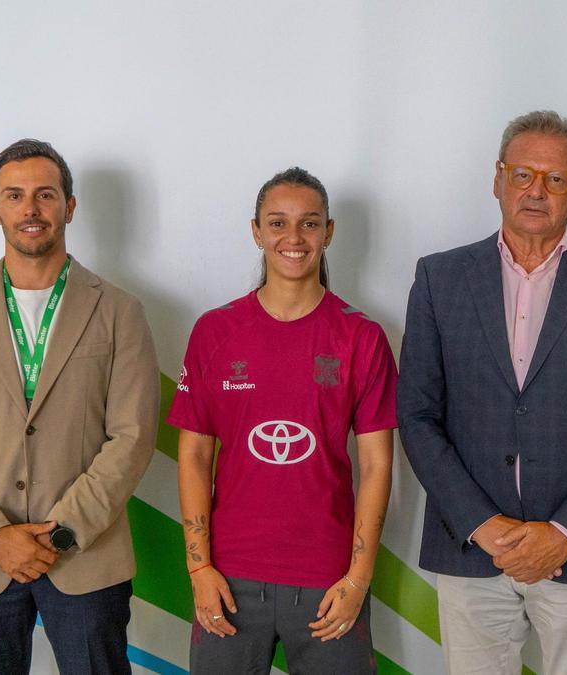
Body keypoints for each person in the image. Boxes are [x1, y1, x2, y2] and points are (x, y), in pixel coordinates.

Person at [397, 110, 567, 674]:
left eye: (555, 178)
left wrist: (565, 533)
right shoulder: (439, 278)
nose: (536, 191)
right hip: (469, 545)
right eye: (522, 174)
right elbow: (417, 416)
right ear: (497, 179)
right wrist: (481, 525)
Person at [0, 138, 160, 673]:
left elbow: (132, 436)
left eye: (45, 194)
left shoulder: (120, 312)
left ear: (69, 206)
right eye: (15, 195)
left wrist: (63, 531)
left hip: (86, 557)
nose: (30, 208)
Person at [167, 167, 397, 673]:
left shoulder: (361, 337)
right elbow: (194, 453)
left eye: (309, 224)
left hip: (329, 582)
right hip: (227, 579)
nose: (293, 238)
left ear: (329, 232)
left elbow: (378, 467)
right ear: (256, 231)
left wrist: (358, 579)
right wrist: (199, 566)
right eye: (277, 223)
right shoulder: (215, 331)